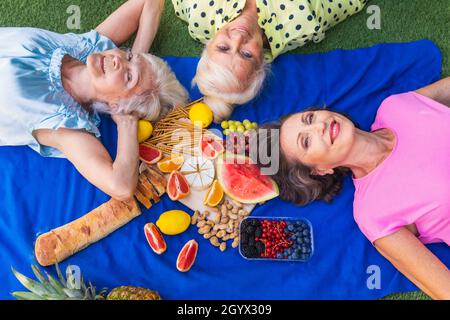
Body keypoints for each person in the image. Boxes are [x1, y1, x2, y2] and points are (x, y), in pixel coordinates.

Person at [263, 78, 450, 299]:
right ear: (320, 170)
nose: (319, 126)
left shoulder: (393, 107)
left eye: (310, 118)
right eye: (306, 141)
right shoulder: (372, 211)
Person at [0, 0, 188, 200]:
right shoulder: (88, 47)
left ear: (117, 105)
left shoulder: (66, 126)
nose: (118, 59)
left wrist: (126, 121)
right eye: (128, 57)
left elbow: (122, 187)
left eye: (129, 77)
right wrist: (137, 57)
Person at [172, 0, 367, 121]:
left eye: (223, 48)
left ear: (209, 44)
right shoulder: (302, 20)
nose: (239, 39)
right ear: (262, 61)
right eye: (246, 54)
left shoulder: (199, 11)